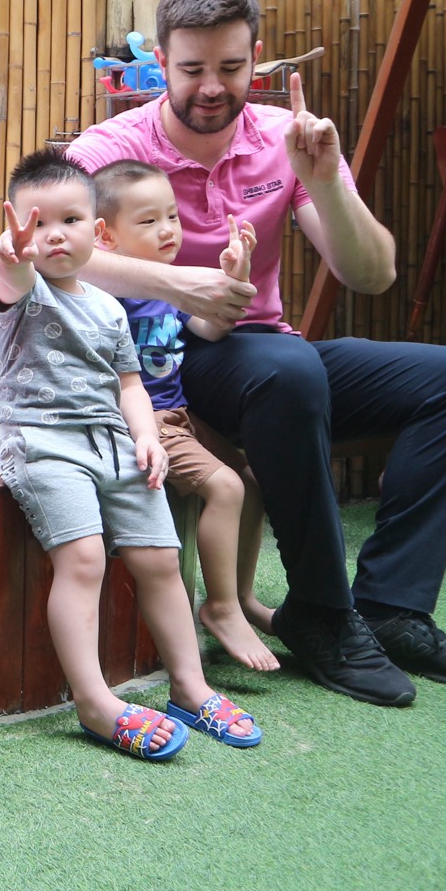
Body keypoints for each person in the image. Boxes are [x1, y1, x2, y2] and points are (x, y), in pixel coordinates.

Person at [67, 0, 446, 703]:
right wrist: (179, 285)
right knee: (288, 366)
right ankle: (323, 613)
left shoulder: (285, 138)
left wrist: (325, 179)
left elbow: (372, 274)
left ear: (258, 58)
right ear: (162, 62)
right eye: (192, 69)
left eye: (231, 66)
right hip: (156, 360)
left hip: (266, 354)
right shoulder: (108, 149)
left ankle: (392, 607)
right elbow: (44, 251)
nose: (212, 87)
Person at [0, 149, 260, 761]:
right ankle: (95, 702)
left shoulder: (109, 306)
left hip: (114, 442)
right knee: (84, 558)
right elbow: (11, 279)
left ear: (97, 231)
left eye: (70, 220)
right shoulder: (22, 288)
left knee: (162, 558)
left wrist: (145, 435)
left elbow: (131, 384)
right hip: (44, 443)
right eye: (37, 223)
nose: (53, 234)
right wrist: (12, 258)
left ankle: (190, 687)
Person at [91, 158, 277, 672]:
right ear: (105, 235)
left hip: (180, 415)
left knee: (252, 479)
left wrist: (235, 276)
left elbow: (210, 329)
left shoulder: (166, 289)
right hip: (144, 421)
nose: (168, 229)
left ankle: (241, 598)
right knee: (226, 488)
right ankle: (219, 607)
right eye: (149, 221)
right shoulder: (108, 295)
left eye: (171, 216)